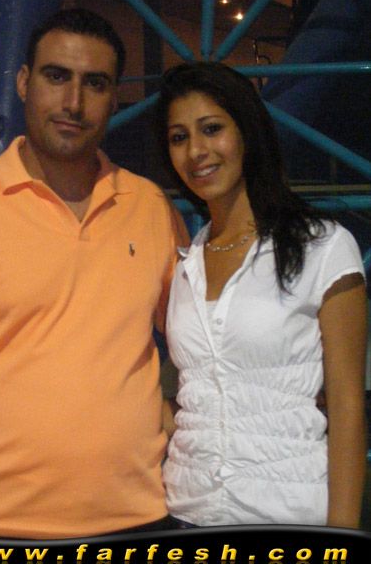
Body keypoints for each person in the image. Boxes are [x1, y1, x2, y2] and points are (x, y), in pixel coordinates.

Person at [0, 8, 188, 539]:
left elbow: (203, 348)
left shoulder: (150, 208)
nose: (73, 102)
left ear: (114, 97)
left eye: (95, 83)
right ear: (24, 82)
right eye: (56, 76)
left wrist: (169, 406)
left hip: (136, 522)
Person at [154, 61, 368, 528]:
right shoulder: (185, 264)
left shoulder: (323, 248)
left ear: (247, 132)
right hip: (184, 514)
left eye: (212, 129)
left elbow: (347, 407)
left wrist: (342, 535)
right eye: (179, 137)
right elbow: (193, 394)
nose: (196, 151)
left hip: (288, 518)